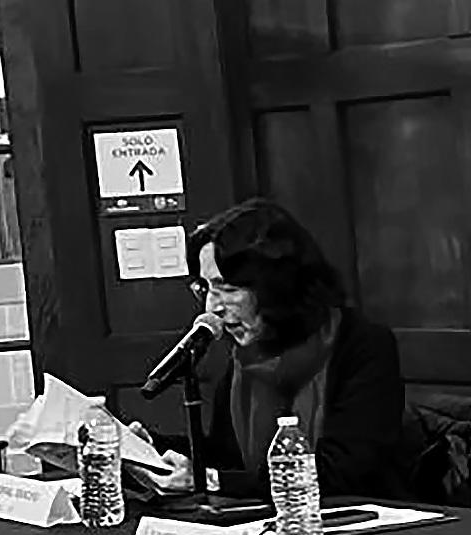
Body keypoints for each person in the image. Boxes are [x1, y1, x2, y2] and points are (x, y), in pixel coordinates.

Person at [130, 196, 405, 500]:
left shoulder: (363, 346)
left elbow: (344, 472)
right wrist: (149, 449)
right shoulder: (246, 358)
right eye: (205, 288)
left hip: (361, 518)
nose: (212, 307)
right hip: (270, 520)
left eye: (228, 288)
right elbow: (229, 458)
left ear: (277, 287)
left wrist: (211, 481)